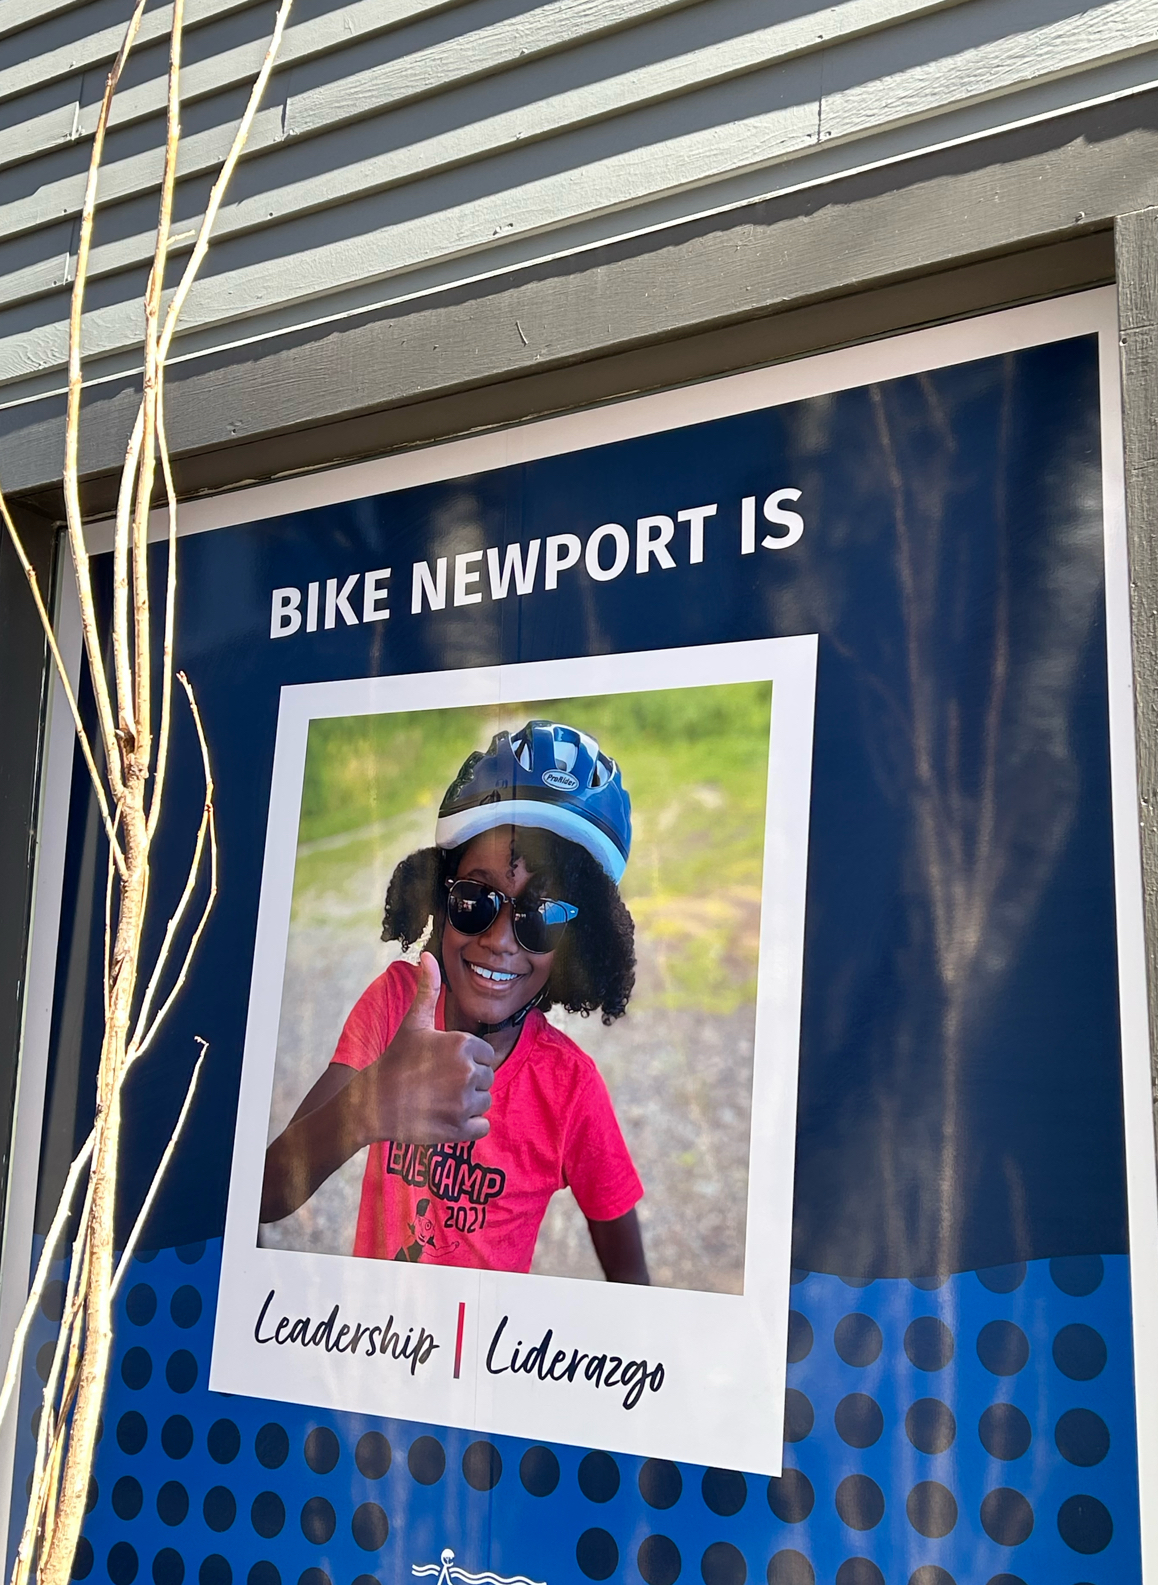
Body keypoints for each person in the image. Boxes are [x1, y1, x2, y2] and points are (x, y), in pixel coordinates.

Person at [260, 719, 649, 1283]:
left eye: (541, 916)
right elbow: (267, 1194)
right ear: (440, 898)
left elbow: (633, 1283)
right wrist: (371, 1104)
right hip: (376, 1331)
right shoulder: (394, 1006)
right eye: (475, 899)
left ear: (577, 943)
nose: (500, 940)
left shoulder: (570, 1087)